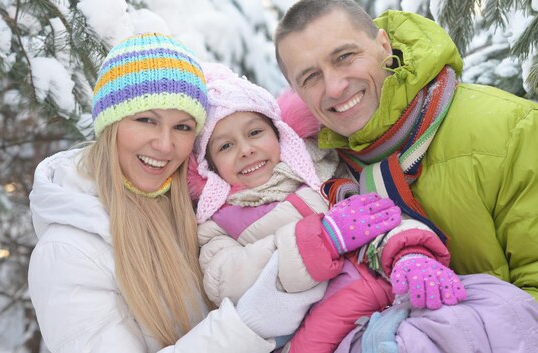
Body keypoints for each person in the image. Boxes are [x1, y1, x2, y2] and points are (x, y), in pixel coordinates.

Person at [274, 0, 538, 353]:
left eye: (344, 57)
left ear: (383, 45)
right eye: (311, 77)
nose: (335, 86)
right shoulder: (319, 177)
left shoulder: (515, 132)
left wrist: (442, 338)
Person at [27, 33, 328, 353]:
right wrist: (246, 325)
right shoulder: (68, 252)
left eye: (182, 127)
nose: (165, 144)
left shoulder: (191, 205)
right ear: (110, 125)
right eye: (146, 120)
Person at [186, 63, 466, 353]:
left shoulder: (324, 173)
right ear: (210, 166)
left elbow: (382, 214)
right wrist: (322, 239)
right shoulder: (219, 221)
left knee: (491, 307)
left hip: (390, 295)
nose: (246, 149)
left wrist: (409, 252)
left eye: (255, 132)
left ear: (280, 133)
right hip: (319, 334)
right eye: (225, 146)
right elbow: (225, 280)